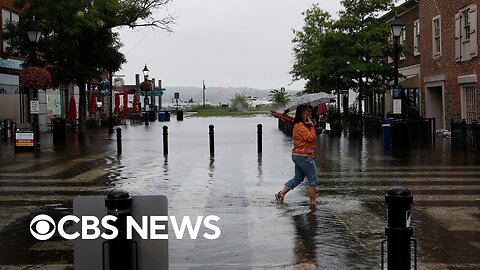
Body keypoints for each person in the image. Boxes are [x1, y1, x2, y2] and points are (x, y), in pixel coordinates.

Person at [275, 105, 318, 207]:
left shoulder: (302, 125)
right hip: (304, 156)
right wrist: (312, 126)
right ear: (303, 113)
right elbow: (311, 138)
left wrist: (311, 125)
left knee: (298, 178)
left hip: (299, 156)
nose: (310, 113)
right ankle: (313, 202)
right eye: (308, 111)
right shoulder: (299, 126)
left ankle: (281, 194)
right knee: (312, 178)